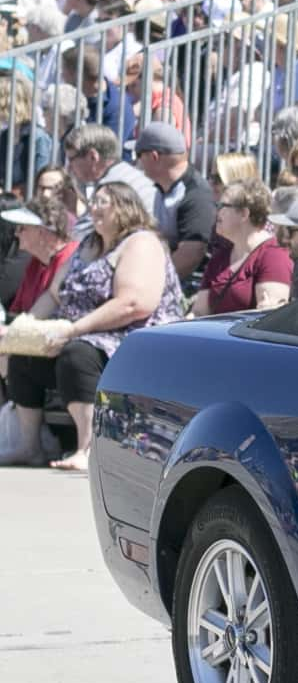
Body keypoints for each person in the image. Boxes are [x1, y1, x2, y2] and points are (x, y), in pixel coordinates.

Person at [1, 180, 182, 472]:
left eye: (102, 202)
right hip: (82, 332)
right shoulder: (89, 243)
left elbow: (133, 303)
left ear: (124, 208)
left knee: (77, 354)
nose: (93, 208)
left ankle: (87, 447)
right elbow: (54, 293)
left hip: (130, 338)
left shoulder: (142, 243)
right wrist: (24, 329)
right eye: (93, 202)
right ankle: (29, 445)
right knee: (24, 354)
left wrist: (74, 330)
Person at [188, 178, 291, 316]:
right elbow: (199, 312)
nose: (216, 212)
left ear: (244, 214)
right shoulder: (221, 256)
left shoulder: (273, 256)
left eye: (222, 206)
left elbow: (268, 316)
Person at [130, 121, 213, 288]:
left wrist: (149, 285)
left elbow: (191, 254)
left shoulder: (195, 194)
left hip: (187, 286)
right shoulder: (161, 187)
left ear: (154, 157)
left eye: (139, 155)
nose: (136, 162)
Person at [0, 194, 77, 320]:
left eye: (22, 228)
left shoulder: (71, 259)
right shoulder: (35, 262)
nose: (16, 233)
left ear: (41, 232)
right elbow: (16, 310)